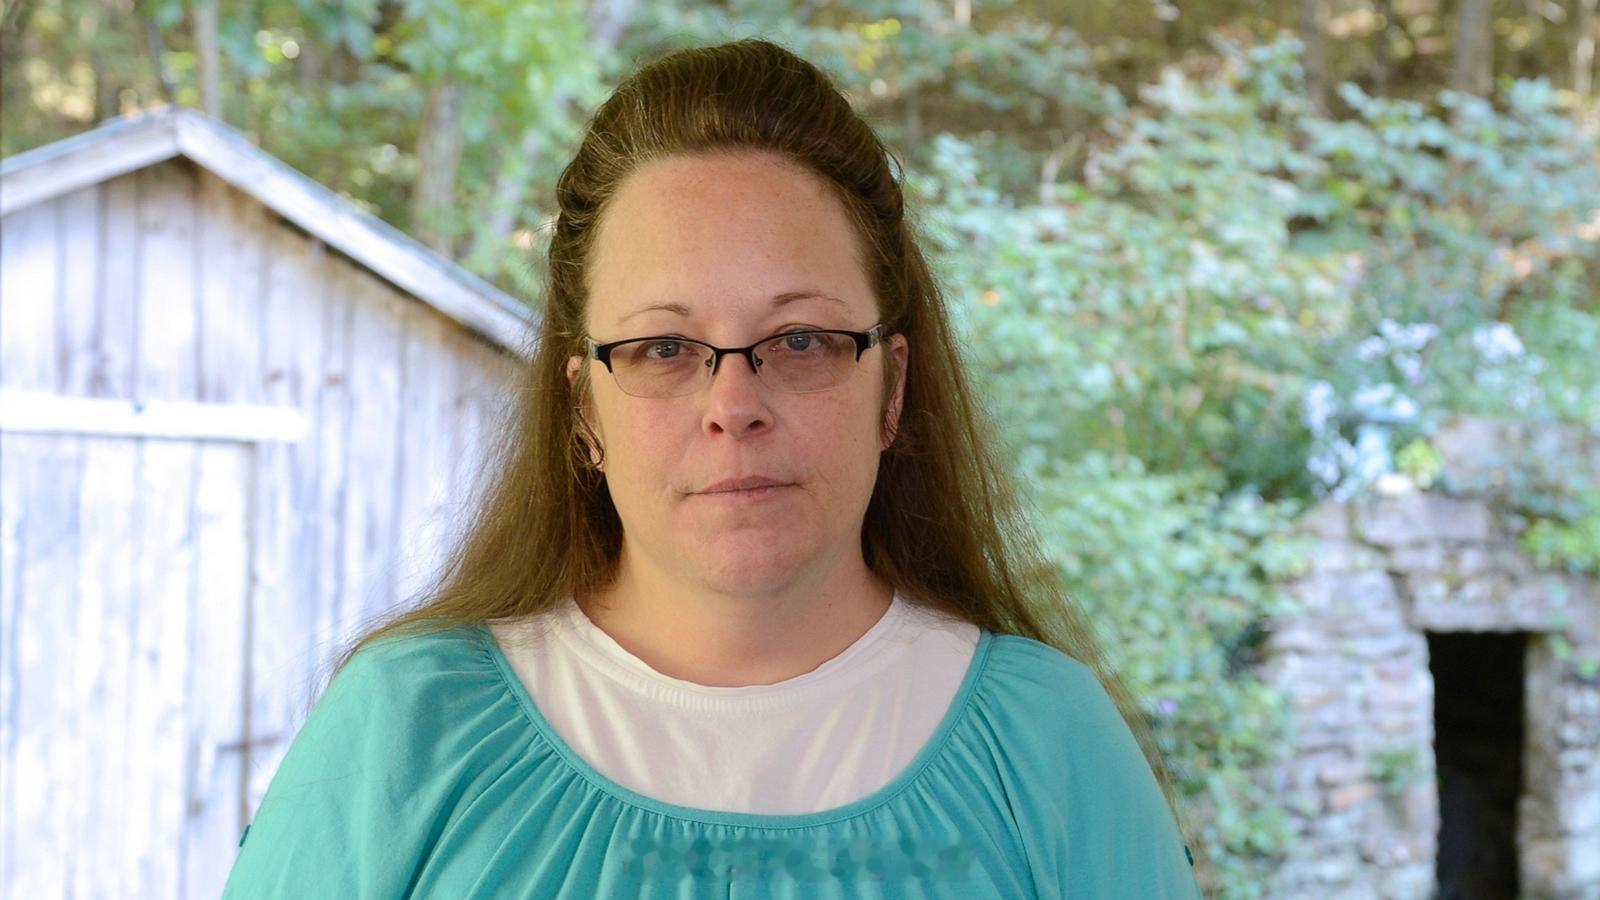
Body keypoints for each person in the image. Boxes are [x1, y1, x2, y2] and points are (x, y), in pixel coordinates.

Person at [222, 38, 1204, 898]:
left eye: (802, 340)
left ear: (893, 387)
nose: (734, 406)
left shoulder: (1050, 747)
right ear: (584, 408)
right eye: (663, 348)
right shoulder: (404, 731)